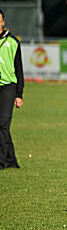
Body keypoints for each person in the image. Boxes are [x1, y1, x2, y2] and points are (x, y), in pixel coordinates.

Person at [0, 9, 24, 170]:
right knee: (2, 127)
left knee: (2, 125)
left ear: (3, 22)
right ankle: (11, 160)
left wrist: (19, 94)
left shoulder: (13, 41)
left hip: (8, 87)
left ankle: (2, 161)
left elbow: (19, 70)